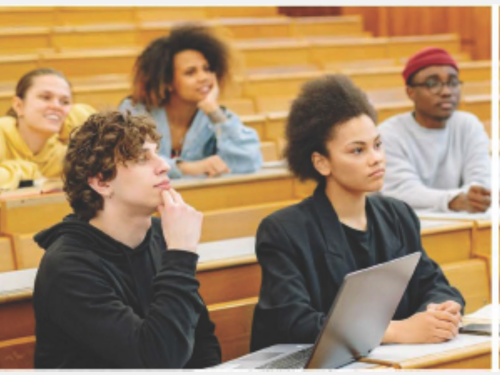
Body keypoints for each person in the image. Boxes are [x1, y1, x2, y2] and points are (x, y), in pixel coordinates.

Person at [250, 75, 464, 353]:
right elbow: (292, 321)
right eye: (357, 150)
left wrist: (440, 312)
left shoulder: (398, 215)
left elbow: (434, 284)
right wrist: (397, 330)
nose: (376, 158)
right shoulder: (283, 230)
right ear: (322, 162)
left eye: (377, 144)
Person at [33, 111, 221, 368]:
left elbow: (202, 341)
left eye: (158, 152)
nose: (164, 165)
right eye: (143, 158)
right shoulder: (67, 266)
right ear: (102, 181)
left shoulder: (162, 233)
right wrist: (181, 254)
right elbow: (156, 361)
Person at [119, 23, 263, 179]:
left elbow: (250, 160)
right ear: (167, 82)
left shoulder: (214, 115)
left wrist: (214, 112)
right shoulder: (134, 112)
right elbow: (128, 161)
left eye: (207, 69)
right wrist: (185, 168)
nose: (204, 77)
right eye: (190, 72)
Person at [378, 47, 491, 213]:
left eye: (453, 82)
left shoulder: (468, 125)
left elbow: (481, 179)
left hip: (463, 222)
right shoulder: (388, 134)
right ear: (410, 92)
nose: (446, 92)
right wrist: (454, 201)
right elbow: (403, 190)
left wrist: (475, 198)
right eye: (432, 83)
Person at [0, 68, 95, 191]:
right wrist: (27, 170)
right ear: (19, 106)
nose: (56, 106)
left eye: (64, 102)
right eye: (45, 97)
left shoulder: (62, 156)